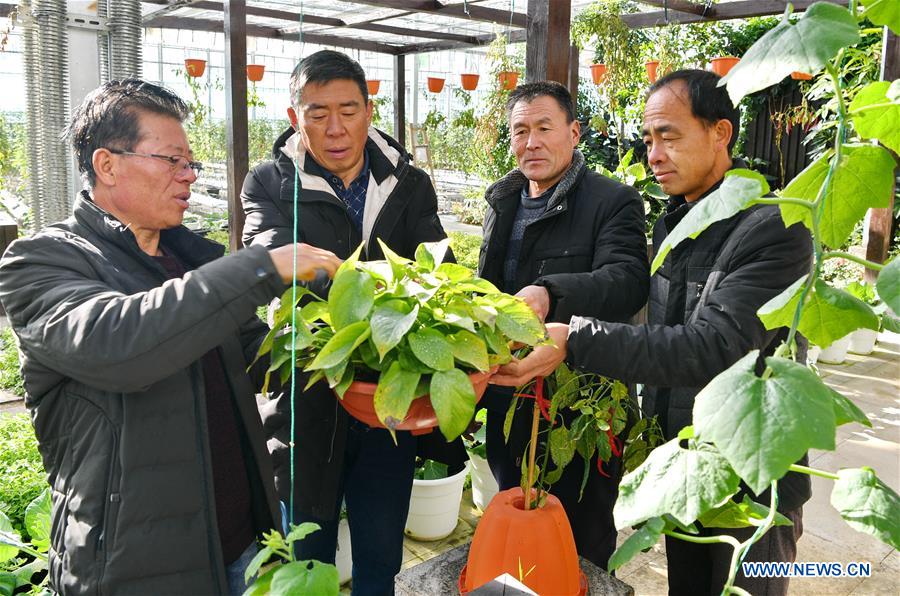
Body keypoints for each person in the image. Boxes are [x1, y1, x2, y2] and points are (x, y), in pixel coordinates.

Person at [0, 79, 342, 596]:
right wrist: (259, 268)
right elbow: (120, 343)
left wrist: (356, 344)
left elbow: (261, 359)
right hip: (134, 566)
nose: (188, 177)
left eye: (191, 164)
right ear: (106, 164)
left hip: (239, 546)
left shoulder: (191, 259)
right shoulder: (42, 261)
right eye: (172, 161)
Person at [492, 70, 811, 595]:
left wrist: (573, 337)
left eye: (670, 136)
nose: (655, 155)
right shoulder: (674, 223)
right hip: (687, 461)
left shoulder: (773, 227)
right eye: (648, 140)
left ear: (720, 133)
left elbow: (714, 346)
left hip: (754, 473)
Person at [241, 50, 459, 595]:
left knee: (379, 552)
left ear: (369, 109)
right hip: (308, 391)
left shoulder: (408, 183)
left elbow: (439, 266)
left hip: (390, 387)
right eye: (317, 113)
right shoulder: (269, 182)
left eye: (348, 110)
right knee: (308, 553)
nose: (335, 128)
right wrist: (344, 283)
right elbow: (266, 252)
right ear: (295, 117)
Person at [477, 80, 649, 569]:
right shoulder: (503, 202)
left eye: (544, 128)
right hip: (510, 392)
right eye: (520, 130)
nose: (531, 142)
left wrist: (552, 291)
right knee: (517, 505)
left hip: (580, 402)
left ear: (574, 133)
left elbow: (627, 281)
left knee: (581, 531)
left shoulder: (611, 201)